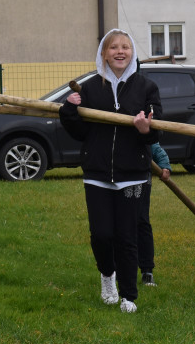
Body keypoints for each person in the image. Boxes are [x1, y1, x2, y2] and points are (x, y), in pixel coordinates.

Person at [60, 29, 162, 314]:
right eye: (114, 47)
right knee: (102, 235)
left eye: (126, 47)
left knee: (127, 236)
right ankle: (108, 277)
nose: (120, 52)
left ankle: (129, 295)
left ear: (132, 53)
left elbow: (155, 131)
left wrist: (146, 129)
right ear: (104, 54)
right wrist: (69, 110)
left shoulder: (146, 88)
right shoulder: (91, 88)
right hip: (97, 174)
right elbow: (80, 132)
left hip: (133, 175)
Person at [138, 142, 171, 287]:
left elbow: (155, 147)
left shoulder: (138, 120)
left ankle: (147, 272)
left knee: (141, 223)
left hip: (141, 180)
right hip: (118, 179)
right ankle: (116, 271)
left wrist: (164, 166)